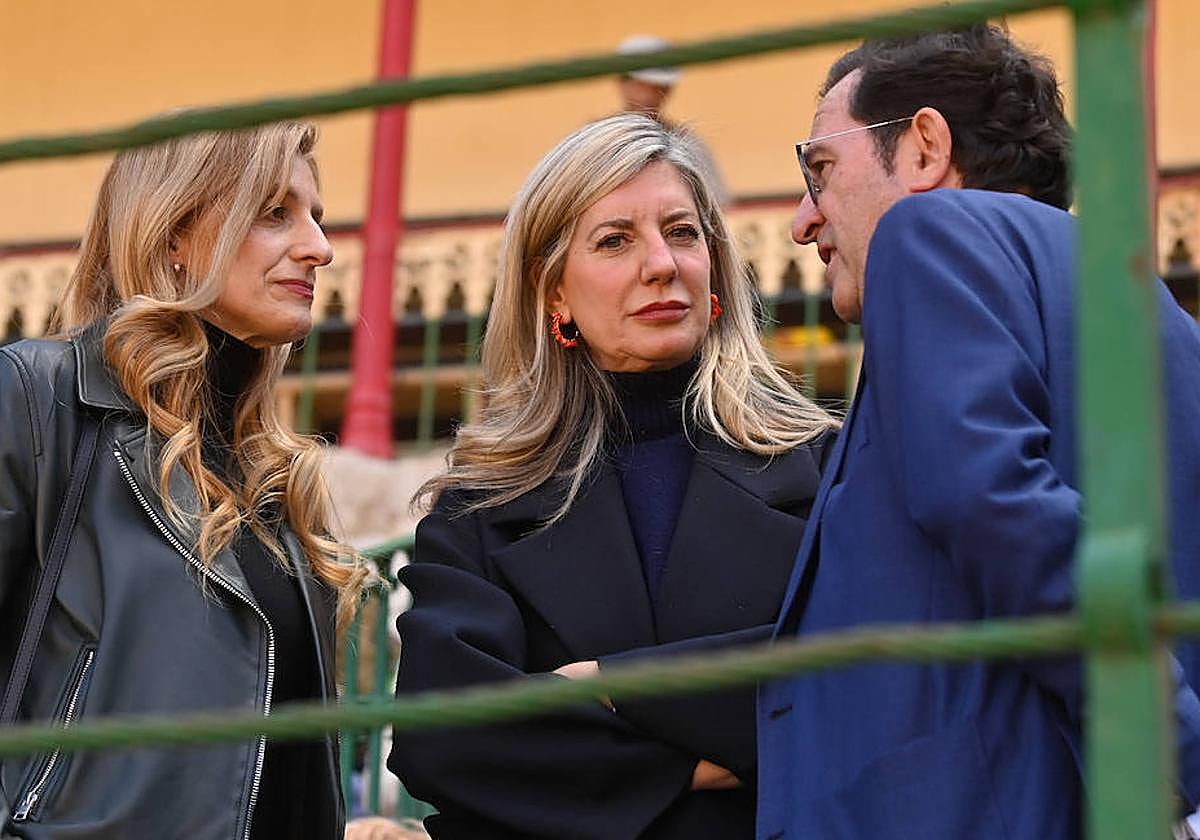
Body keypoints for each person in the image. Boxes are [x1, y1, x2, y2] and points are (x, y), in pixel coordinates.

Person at [756, 24, 1200, 840]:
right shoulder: (1162, 316)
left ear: (925, 148)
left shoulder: (927, 235)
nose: (802, 221)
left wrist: (1167, 743)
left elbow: (990, 500)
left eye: (819, 169)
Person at [388, 112, 837, 839]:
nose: (661, 263)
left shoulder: (825, 466)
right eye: (615, 240)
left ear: (715, 267)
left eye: (682, 232)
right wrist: (691, 763)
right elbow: (442, 736)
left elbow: (862, 669)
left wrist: (604, 689)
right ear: (554, 293)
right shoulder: (480, 505)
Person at [0, 122, 364, 839]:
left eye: (317, 217)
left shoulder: (273, 479)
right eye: (274, 212)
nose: (320, 247)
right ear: (173, 232)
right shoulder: (36, 400)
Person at [616, 34, 729, 205]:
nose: (649, 94)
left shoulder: (688, 143)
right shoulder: (594, 141)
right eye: (642, 84)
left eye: (658, 87)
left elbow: (718, 203)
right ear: (624, 83)